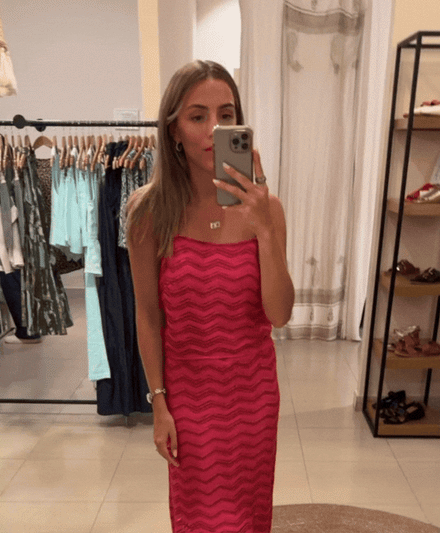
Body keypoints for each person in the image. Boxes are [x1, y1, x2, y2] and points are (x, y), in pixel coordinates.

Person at [126, 60, 295, 533]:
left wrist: (265, 230)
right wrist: (159, 404)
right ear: (174, 130)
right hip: (188, 400)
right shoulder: (147, 212)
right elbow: (148, 316)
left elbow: (280, 314)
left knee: (248, 519)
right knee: (198, 520)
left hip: (253, 397)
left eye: (226, 114)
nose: (214, 129)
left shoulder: (267, 208)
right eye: (197, 116)